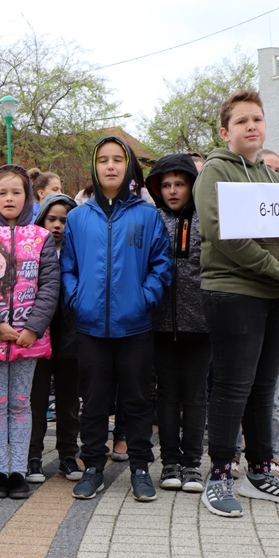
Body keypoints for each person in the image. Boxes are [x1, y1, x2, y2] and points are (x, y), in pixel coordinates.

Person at [193, 89, 279, 518]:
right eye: (242, 121)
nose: (252, 126)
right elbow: (223, 232)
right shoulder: (215, 173)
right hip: (233, 291)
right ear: (226, 131)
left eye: (257, 119)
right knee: (232, 386)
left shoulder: (276, 179)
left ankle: (261, 472)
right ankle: (220, 473)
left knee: (266, 388)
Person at [61, 136, 172, 503]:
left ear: (128, 168)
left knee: (137, 399)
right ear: (94, 167)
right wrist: (77, 299)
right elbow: (69, 268)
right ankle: (93, 465)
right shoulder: (78, 218)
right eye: (103, 160)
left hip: (135, 325)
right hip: (91, 326)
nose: (110, 166)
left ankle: (140, 466)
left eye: (117, 160)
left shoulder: (147, 215)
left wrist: (145, 298)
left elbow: (160, 265)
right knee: (93, 401)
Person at [0, 164, 60, 500]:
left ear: (28, 196)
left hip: (29, 338)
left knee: (21, 404)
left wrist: (34, 327)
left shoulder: (41, 237)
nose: (9, 198)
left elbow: (50, 286)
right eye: (2, 192)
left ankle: (18, 469)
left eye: (16, 192)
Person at [145, 153, 210, 493]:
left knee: (196, 395)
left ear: (192, 185)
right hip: (159, 323)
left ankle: (192, 464)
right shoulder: (152, 219)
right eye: (166, 185)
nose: (172, 191)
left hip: (200, 324)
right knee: (167, 394)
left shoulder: (207, 218)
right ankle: (169, 461)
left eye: (179, 184)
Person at [27, 193, 82, 483]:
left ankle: (68, 455)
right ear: (41, 219)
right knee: (35, 399)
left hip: (71, 337)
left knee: (68, 401)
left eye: (65, 220)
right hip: (37, 335)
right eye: (52, 219)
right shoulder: (30, 252)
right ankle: (33, 456)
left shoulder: (81, 254)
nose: (58, 225)